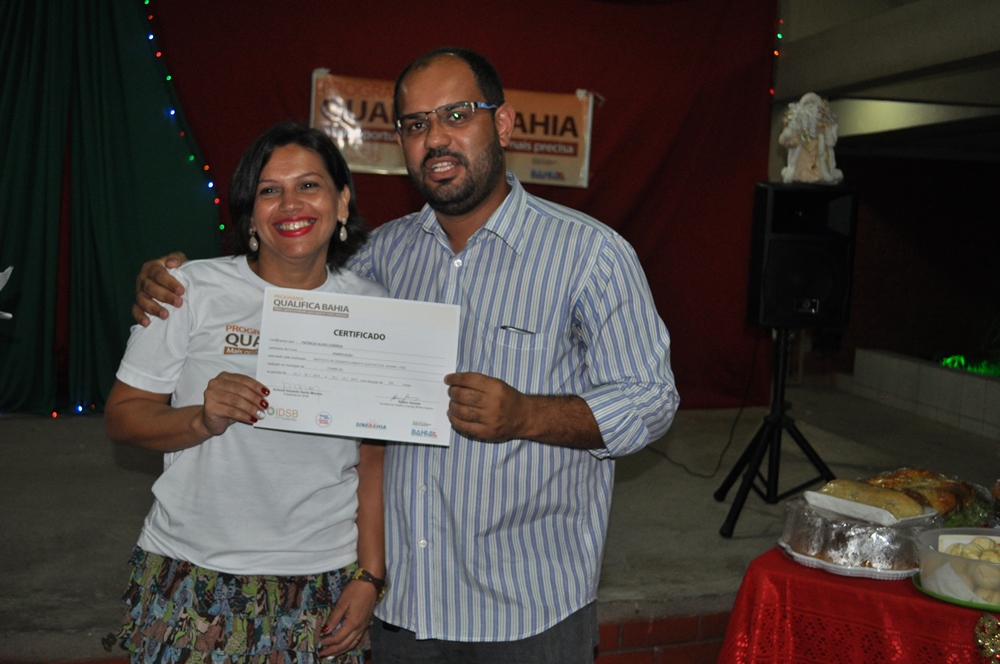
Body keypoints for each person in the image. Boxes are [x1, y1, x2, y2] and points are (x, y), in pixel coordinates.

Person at [133, 47, 679, 662]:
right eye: (416, 124)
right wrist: (175, 279)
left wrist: (529, 415)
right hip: (401, 609)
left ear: (502, 124)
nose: (435, 138)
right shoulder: (380, 259)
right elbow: (284, 276)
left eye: (457, 115)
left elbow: (651, 400)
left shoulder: (590, 255)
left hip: (527, 609)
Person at [107, 122, 387, 664]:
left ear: (341, 202)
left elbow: (373, 458)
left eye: (309, 185)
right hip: (194, 574)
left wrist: (370, 575)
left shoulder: (375, 307)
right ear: (250, 215)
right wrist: (200, 419)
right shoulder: (189, 290)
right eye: (269, 190)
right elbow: (122, 416)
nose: (290, 204)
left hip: (322, 583)